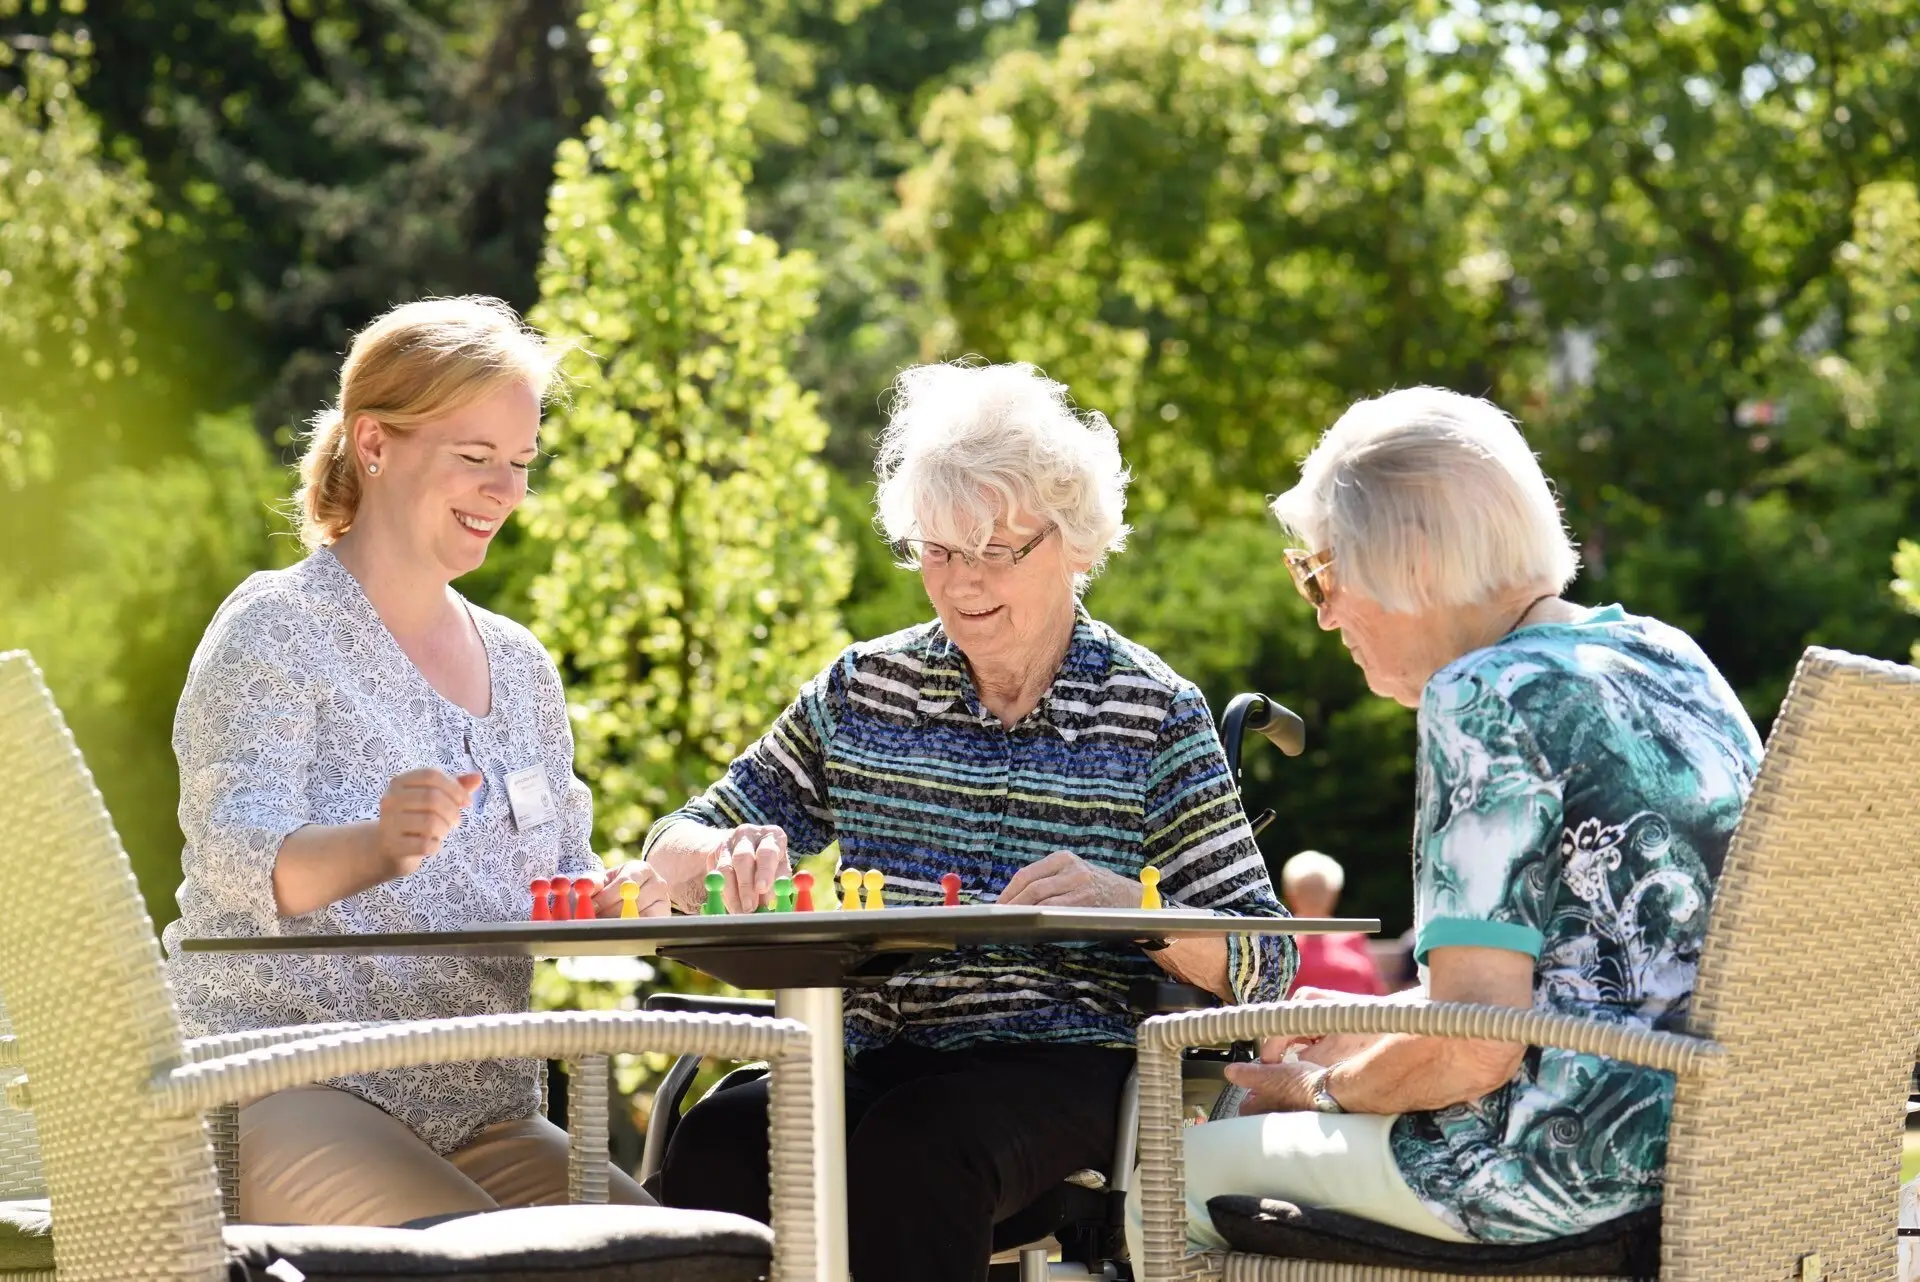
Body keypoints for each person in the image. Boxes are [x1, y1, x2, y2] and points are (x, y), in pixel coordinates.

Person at [644, 360, 1297, 1281]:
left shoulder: (1156, 714)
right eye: (938, 553)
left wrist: (1129, 903)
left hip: (1061, 1064)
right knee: (718, 1141)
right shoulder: (864, 690)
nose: (961, 584)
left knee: (917, 1149)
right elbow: (676, 837)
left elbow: (1268, 958)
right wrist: (717, 848)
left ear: (1073, 541)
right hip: (870, 1047)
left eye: (995, 551)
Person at [1128, 386, 1763, 1254]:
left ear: (1412, 557)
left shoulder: (1483, 696)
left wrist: (1321, 1088)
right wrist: (1365, 1020)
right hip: (1717, 1153)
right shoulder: (1671, 659)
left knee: (1171, 1172)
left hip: (1549, 1169)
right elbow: (1582, 982)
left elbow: (1475, 1051)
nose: (1322, 611)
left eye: (1322, 571)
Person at [160, 296, 671, 1227]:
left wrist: (622, 894)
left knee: (681, 1257)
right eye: (475, 458)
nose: (505, 491)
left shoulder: (520, 667)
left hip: (482, 1114)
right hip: (288, 1084)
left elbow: (557, 881)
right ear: (375, 444)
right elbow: (234, 859)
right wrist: (374, 847)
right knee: (486, 1266)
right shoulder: (277, 627)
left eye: (519, 464)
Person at [1279, 850, 1384, 997]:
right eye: (1307, 889)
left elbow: (1375, 987)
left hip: (1361, 1014)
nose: (1314, 897)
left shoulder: (1352, 935)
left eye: (1320, 889)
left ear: (1333, 894)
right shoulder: (1282, 939)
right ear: (1290, 894)